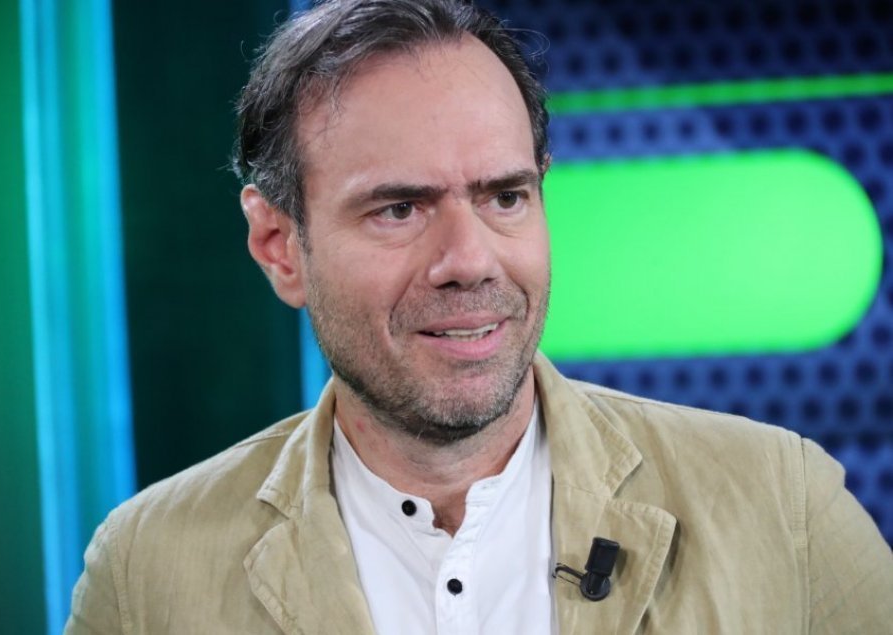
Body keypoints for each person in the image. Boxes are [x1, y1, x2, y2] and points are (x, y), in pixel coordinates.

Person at [66, 0, 893, 633]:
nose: (469, 259)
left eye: (504, 197)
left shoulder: (787, 511)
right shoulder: (146, 573)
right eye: (398, 208)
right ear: (280, 245)